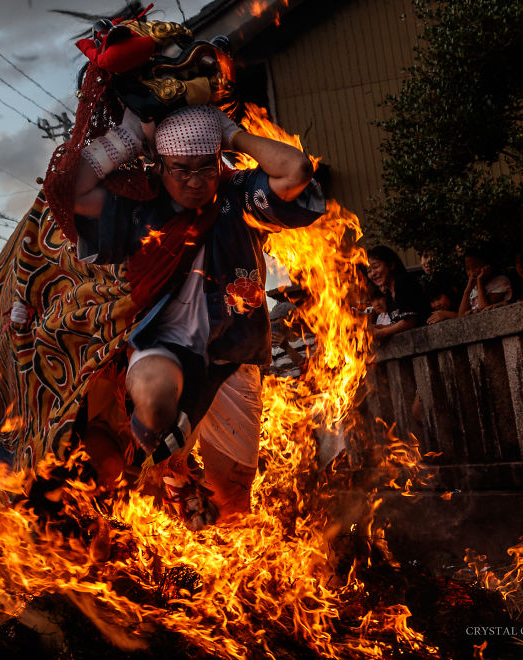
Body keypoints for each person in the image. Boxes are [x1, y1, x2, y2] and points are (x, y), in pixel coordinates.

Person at [70, 104, 324, 525]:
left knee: (233, 505)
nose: (193, 182)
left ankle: (218, 554)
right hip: (162, 346)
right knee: (154, 403)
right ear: (159, 165)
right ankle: (173, 474)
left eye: (205, 168)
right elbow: (71, 191)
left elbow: (295, 171)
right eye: (180, 170)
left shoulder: (235, 196)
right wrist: (131, 136)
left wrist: (230, 133)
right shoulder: (140, 206)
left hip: (232, 355)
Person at [366, 246, 428, 339]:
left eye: (376, 267)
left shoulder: (404, 283)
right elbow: (399, 322)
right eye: (369, 271)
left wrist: (383, 332)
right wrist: (382, 327)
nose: (373, 273)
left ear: (391, 264)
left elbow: (410, 321)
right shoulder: (389, 296)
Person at [457, 248, 512, 316]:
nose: (471, 272)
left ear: (487, 266)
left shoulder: (500, 281)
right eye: (468, 268)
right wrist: (467, 290)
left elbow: (484, 310)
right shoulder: (472, 289)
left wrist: (479, 281)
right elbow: (460, 316)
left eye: (476, 266)